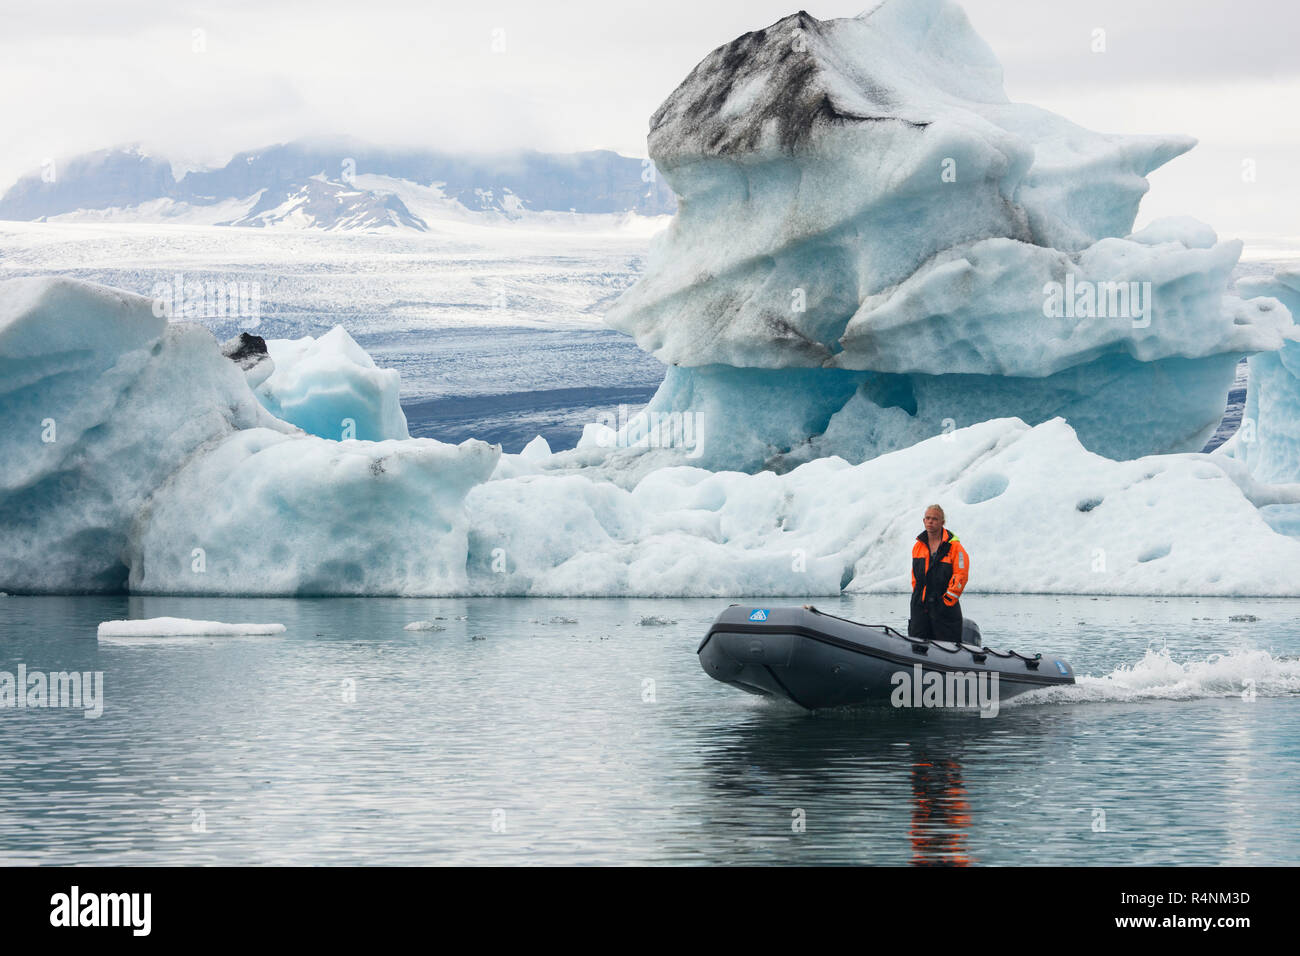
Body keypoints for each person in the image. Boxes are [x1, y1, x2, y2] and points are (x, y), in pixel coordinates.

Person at [909, 504, 969, 643]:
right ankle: (918, 666)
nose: (930, 521)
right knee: (917, 646)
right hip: (920, 606)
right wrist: (918, 596)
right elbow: (915, 576)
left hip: (944, 607)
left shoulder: (955, 548)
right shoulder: (918, 546)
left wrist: (947, 600)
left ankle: (946, 665)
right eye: (928, 518)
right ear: (923, 521)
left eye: (935, 519)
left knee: (947, 647)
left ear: (942, 522)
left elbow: (961, 574)